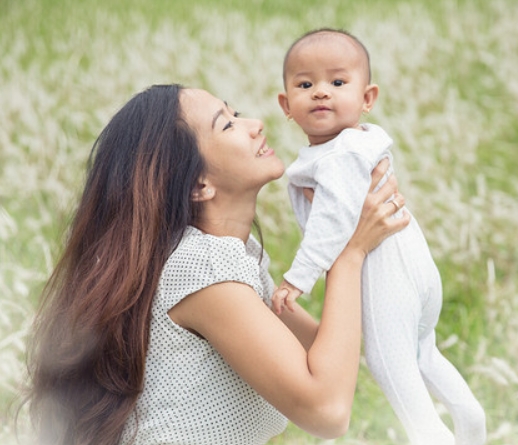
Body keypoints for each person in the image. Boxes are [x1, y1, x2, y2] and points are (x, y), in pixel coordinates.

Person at [23, 84, 409, 445]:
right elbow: (327, 411)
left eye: (235, 113)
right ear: (198, 185)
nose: (256, 125)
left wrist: (338, 224)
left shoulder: (229, 256)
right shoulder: (202, 270)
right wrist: (348, 252)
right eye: (227, 124)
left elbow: (330, 358)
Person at [272, 28, 487, 445]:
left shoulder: (340, 155)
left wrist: (300, 276)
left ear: (367, 98)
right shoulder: (360, 144)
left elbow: (332, 220)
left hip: (387, 282)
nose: (321, 92)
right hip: (419, 273)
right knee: (425, 353)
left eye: (337, 82)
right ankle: (471, 424)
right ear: (286, 105)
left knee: (400, 385)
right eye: (305, 84)